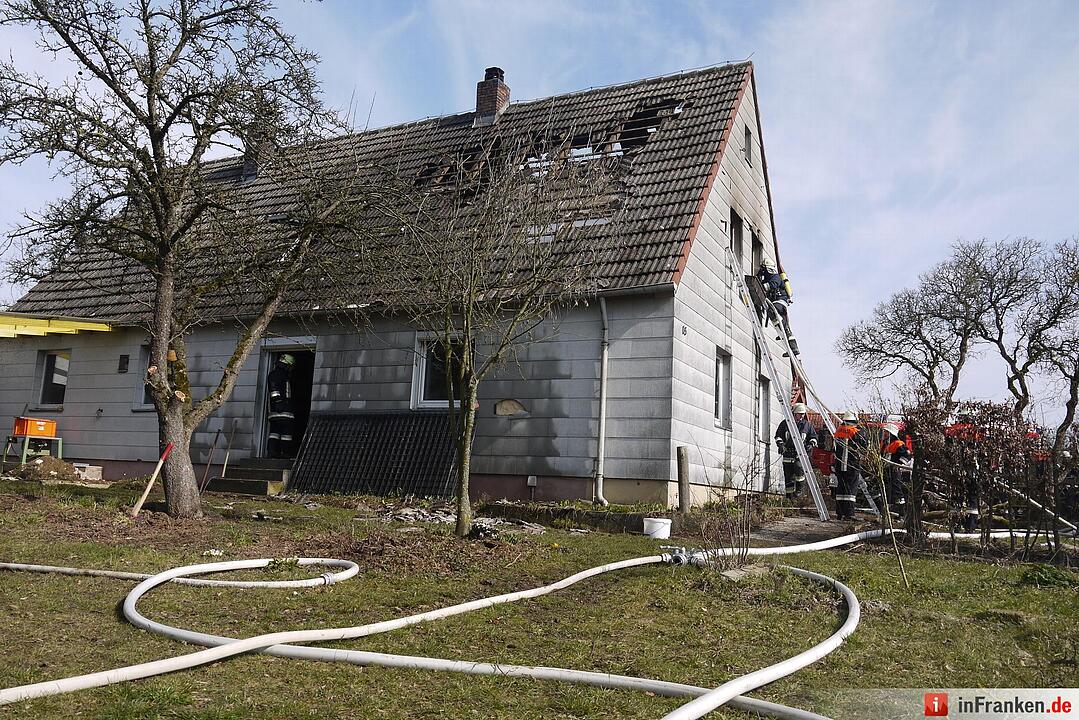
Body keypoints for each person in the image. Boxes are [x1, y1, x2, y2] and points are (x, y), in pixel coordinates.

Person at [756, 261, 800, 356]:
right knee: (784, 327)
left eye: (763, 269)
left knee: (772, 311)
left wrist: (761, 287)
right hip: (778, 302)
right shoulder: (768, 278)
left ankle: (783, 327)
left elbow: (774, 284)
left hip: (780, 301)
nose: (763, 272)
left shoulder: (775, 277)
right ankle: (793, 347)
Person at [776, 402, 818, 499]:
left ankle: (799, 489)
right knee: (788, 476)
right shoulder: (785, 424)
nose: (801, 416)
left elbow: (814, 437)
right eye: (800, 414)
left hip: (801, 454)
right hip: (788, 454)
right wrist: (781, 445)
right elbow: (778, 436)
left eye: (803, 414)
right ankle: (790, 497)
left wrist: (811, 444)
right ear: (794, 413)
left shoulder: (807, 425)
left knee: (799, 468)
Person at [833, 411, 866, 520]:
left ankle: (840, 513)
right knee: (851, 490)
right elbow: (865, 445)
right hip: (851, 465)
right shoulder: (855, 431)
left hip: (839, 464)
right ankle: (849, 514)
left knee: (841, 489)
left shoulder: (838, 430)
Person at [266, 353, 296, 458]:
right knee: (286, 432)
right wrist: (278, 402)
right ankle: (285, 453)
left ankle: (272, 451)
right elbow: (274, 389)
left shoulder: (275, 374)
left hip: (275, 411)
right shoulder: (279, 376)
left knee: (274, 431)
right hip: (284, 410)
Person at [882, 422, 912, 520]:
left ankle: (902, 514)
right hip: (886, 470)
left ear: (891, 433)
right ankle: (886, 511)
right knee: (886, 490)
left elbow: (907, 455)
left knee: (897, 491)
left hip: (895, 471)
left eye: (886, 432)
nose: (884, 434)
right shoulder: (885, 444)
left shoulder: (898, 444)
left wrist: (899, 465)